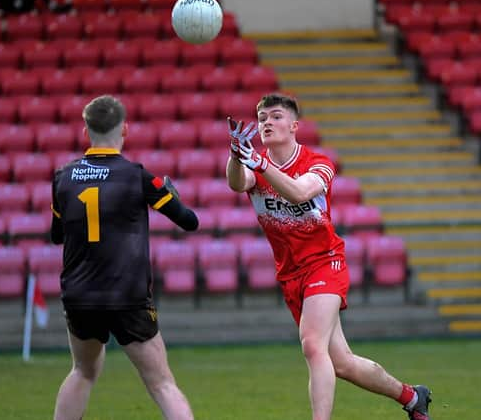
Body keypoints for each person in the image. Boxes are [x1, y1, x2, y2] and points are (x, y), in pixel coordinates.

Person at [225, 92, 432, 420]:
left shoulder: (319, 163)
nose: (267, 122)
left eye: (276, 116)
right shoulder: (255, 166)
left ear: (294, 125)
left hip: (325, 261)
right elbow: (238, 184)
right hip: (291, 273)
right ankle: (411, 397)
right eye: (262, 118)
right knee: (342, 363)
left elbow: (299, 192)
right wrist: (236, 156)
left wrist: (259, 162)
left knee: (311, 345)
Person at [51, 95, 197, 420]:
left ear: (86, 131)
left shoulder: (63, 178)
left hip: (80, 295)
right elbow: (189, 221)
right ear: (125, 129)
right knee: (161, 384)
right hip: (127, 295)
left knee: (82, 371)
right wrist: (170, 195)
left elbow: (56, 235)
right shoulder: (138, 176)